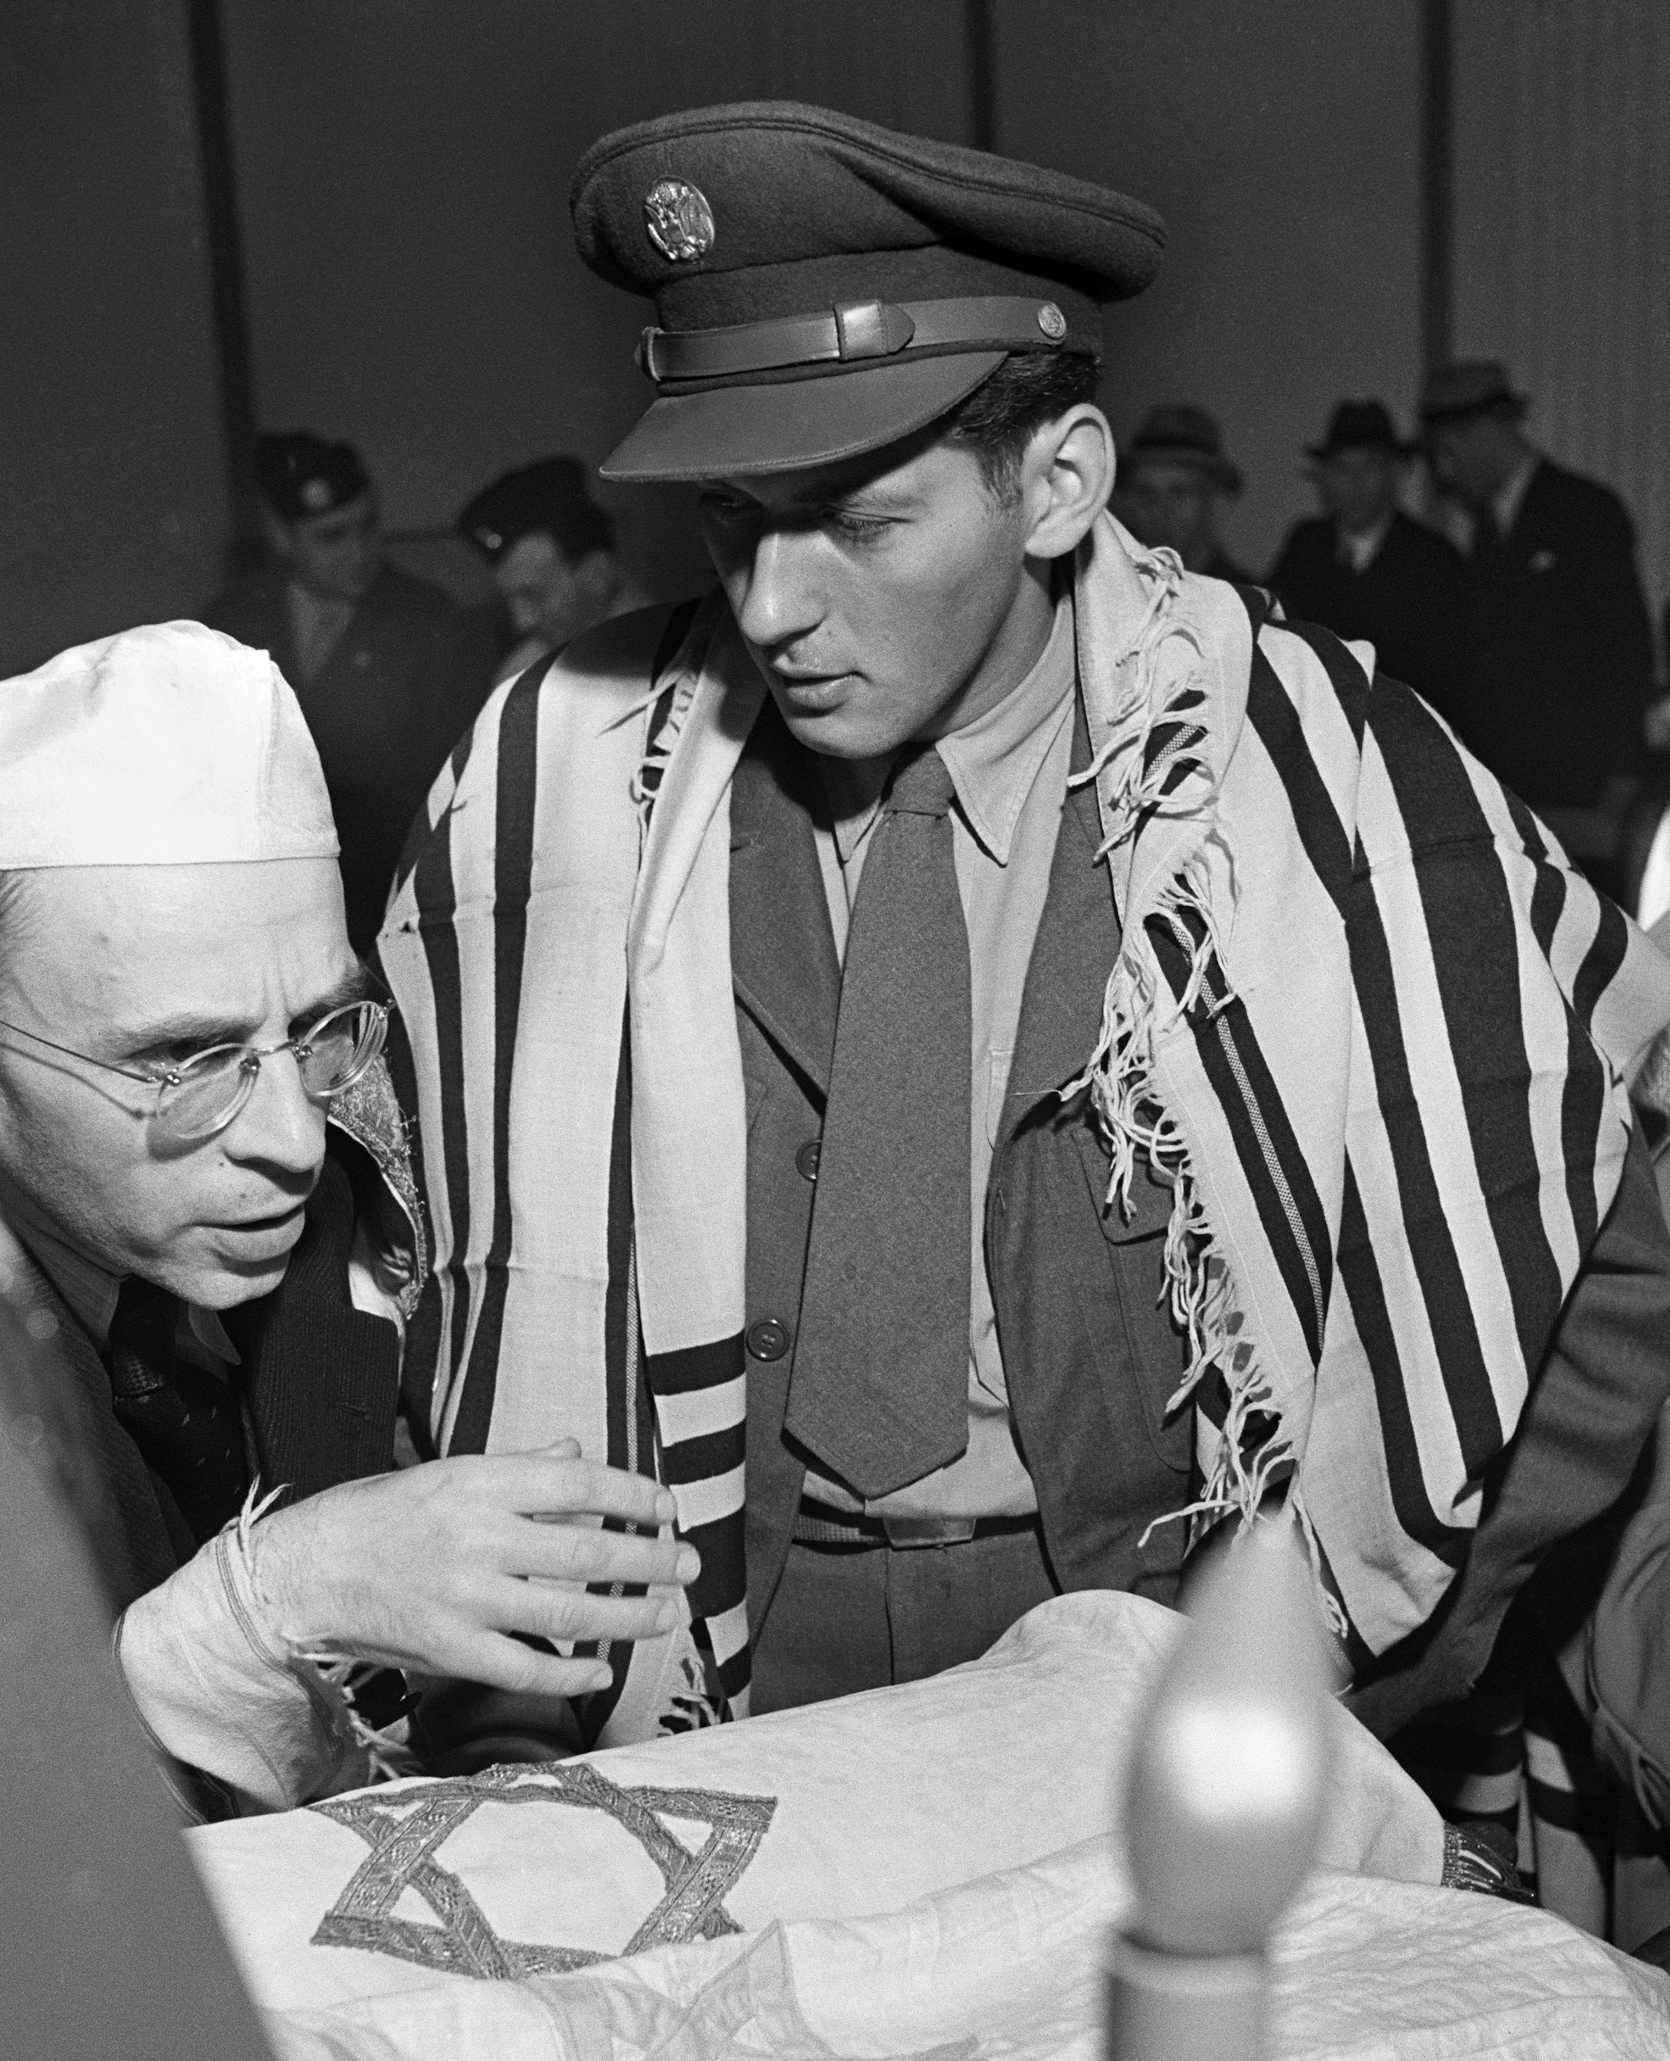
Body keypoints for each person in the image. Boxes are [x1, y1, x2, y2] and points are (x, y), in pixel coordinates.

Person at [378, 100, 1670, 1752]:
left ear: (1058, 484)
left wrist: (1369, 1639)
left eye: (856, 520)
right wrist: (510, 1708)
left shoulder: (1315, 770)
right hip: (703, 1669)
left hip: (1148, 1675)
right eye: (728, 518)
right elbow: (429, 1274)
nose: (770, 608)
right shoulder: (549, 775)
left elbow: (1603, 1197)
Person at [0, 622, 697, 1813]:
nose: (297, 1141)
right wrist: (260, 1606)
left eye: (316, 1029)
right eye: (183, 1057)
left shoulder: (348, 1212)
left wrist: (490, 1712)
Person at [207, 433, 498, 953]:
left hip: (386, 899)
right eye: (332, 536)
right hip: (266, 904)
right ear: (281, 535)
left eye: (368, 528)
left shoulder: (430, 621)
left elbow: (444, 785)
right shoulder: (233, 623)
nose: (359, 552)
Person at [1421, 360, 1654, 834]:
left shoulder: (1584, 511)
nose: (1445, 474)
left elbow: (1623, 651)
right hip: (1517, 791)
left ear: (1481, 434)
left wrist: (1621, 782)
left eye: (1447, 453)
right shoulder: (1487, 534)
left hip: (1580, 792)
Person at [1268, 399, 1466, 715]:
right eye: (1342, 468)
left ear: (1394, 474)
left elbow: (1443, 680)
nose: (1354, 482)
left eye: (1369, 467)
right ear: (1325, 477)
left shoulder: (1433, 559)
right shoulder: (1306, 545)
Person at [457, 455, 651, 682]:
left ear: (597, 572)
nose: (522, 621)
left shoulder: (680, 661)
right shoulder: (523, 676)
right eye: (509, 600)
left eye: (533, 595)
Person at [1110, 404, 1253, 581]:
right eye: (1144, 493)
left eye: (1180, 493)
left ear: (1217, 504)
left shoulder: (1250, 603)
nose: (1160, 509)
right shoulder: (1111, 591)